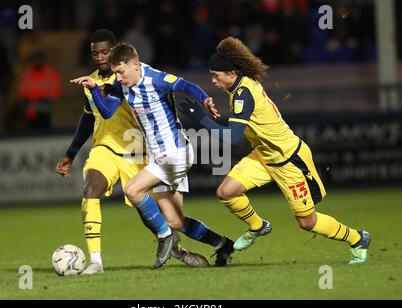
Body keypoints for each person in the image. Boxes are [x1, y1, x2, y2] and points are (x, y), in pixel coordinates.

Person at [180, 36, 371, 264]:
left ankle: (358, 238)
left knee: (306, 222)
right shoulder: (239, 88)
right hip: (263, 156)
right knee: (226, 192)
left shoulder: (243, 94)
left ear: (231, 74)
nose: (213, 80)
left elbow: (233, 137)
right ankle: (258, 226)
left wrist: (201, 120)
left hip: (289, 161)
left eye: (216, 75)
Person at [57, 30, 208, 274]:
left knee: (165, 216)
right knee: (90, 188)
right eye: (95, 53)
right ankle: (96, 261)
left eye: (105, 52)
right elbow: (90, 117)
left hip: (138, 150)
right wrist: (71, 153)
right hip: (104, 147)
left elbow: (168, 94)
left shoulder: (129, 78)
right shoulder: (92, 81)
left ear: (117, 52)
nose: (100, 57)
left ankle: (179, 249)